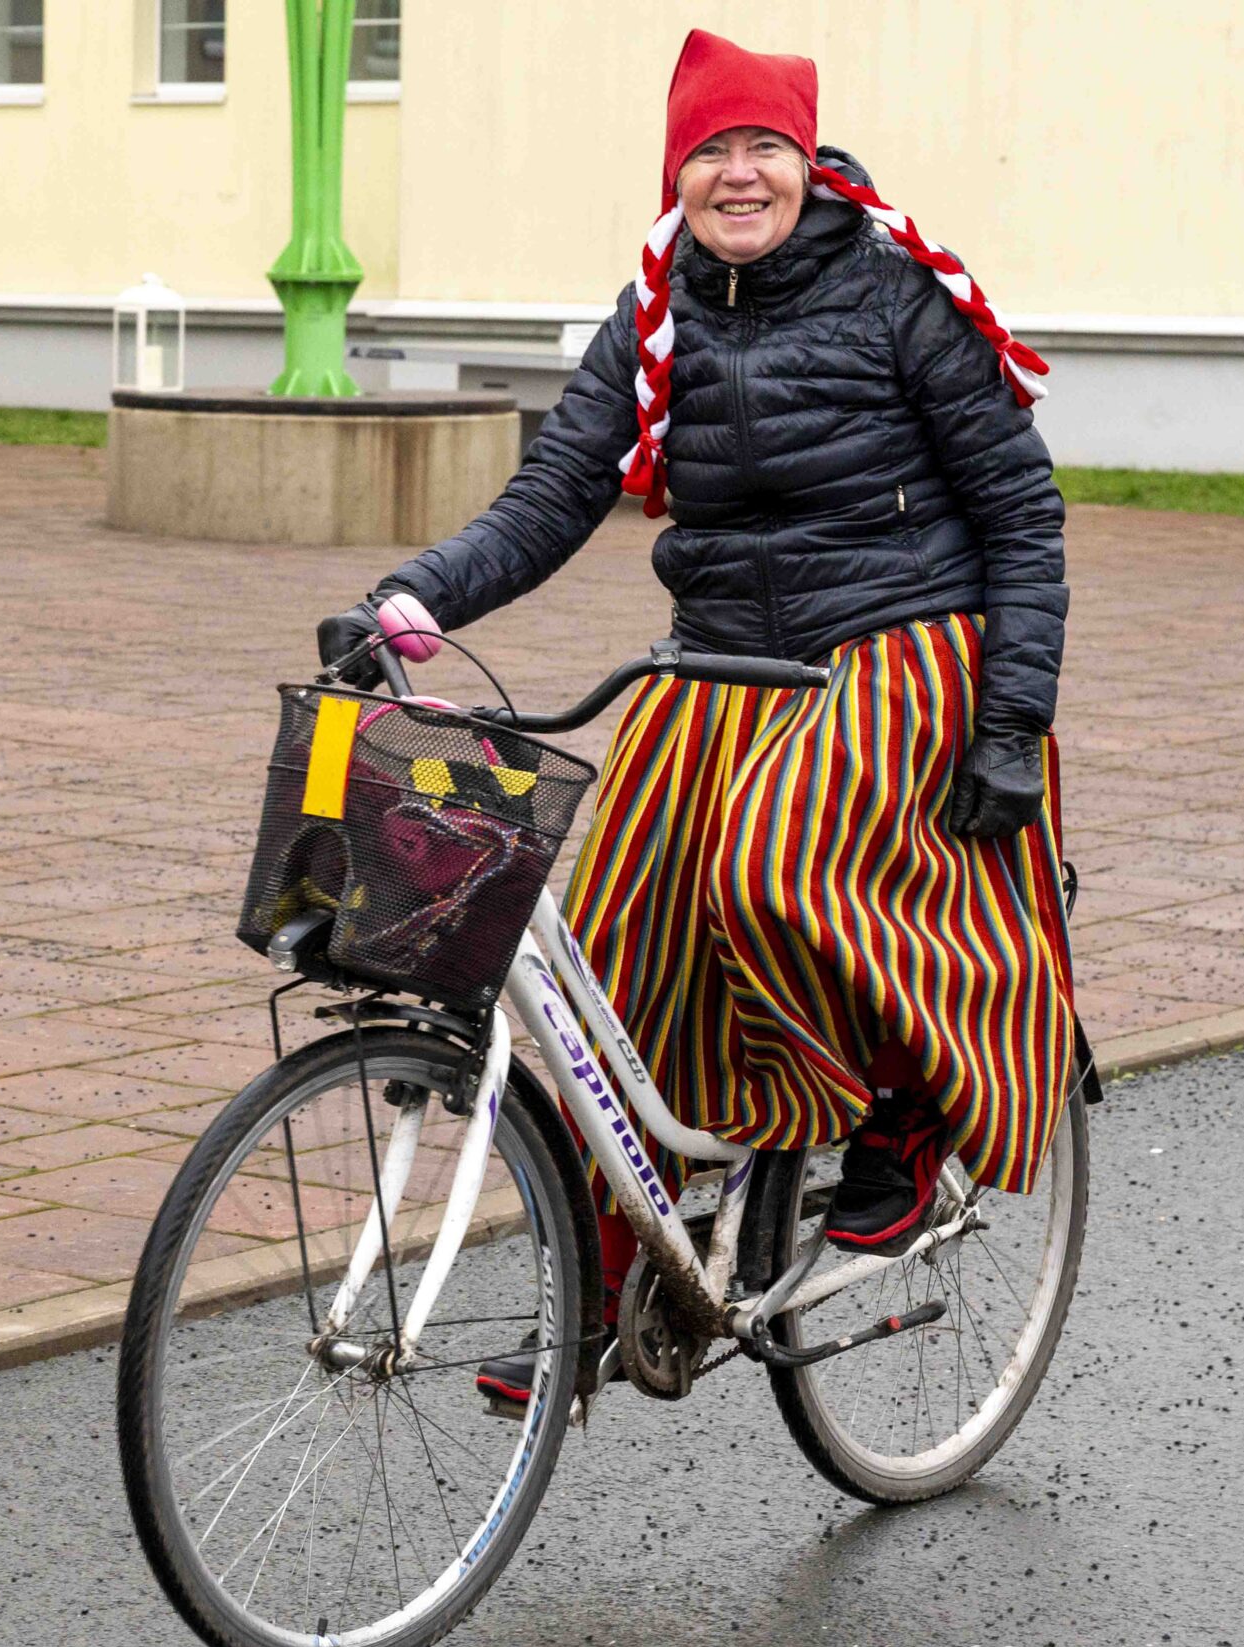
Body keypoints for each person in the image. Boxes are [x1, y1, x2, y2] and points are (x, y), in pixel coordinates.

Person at [318, 29, 1078, 1391]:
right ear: (677, 172)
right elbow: (555, 492)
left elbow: (1022, 512)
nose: (739, 174)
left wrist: (1012, 722)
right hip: (721, 663)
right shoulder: (657, 309)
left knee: (770, 867)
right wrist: (408, 603)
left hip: (901, 647)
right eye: (710, 150)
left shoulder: (898, 290)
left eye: (763, 147)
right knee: (608, 946)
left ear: (808, 162)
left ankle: (906, 1112)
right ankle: (618, 1281)